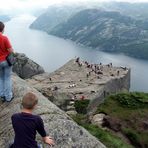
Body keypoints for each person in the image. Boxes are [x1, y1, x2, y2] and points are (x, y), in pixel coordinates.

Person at [0, 21, 14, 102]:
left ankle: (2, 95)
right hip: (6, 61)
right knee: (7, 78)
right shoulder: (4, 38)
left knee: (1, 78)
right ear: (2, 29)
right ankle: (8, 97)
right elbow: (10, 50)